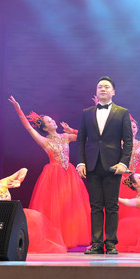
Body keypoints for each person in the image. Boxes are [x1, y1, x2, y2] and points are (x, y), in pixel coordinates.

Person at [9, 96, 91, 249]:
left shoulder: (65, 137)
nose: (53, 121)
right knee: (56, 208)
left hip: (69, 175)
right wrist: (18, 108)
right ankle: (57, 240)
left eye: (52, 120)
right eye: (49, 121)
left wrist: (72, 130)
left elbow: (86, 137)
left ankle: (69, 238)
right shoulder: (44, 141)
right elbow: (29, 128)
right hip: (54, 175)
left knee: (70, 208)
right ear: (45, 128)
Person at [76, 76, 133, 255]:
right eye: (100, 86)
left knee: (111, 206)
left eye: (107, 87)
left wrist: (123, 163)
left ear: (113, 91)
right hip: (92, 164)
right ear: (96, 91)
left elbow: (129, 141)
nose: (103, 89)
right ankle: (96, 243)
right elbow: (81, 140)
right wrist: (81, 162)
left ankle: (111, 243)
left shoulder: (122, 112)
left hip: (113, 165)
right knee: (95, 206)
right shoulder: (87, 112)